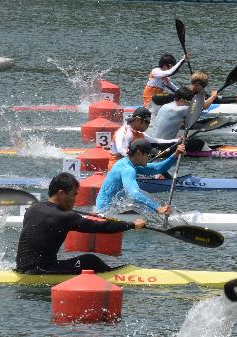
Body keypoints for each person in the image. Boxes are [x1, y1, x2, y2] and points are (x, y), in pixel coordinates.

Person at [15, 172, 145, 274]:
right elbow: (100, 227)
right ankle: (115, 277)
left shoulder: (33, 208)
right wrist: (131, 225)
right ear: (61, 193)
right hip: (41, 271)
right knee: (89, 260)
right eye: (73, 195)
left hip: (22, 267)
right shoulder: (65, 217)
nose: (75, 200)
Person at [94, 138, 185, 214]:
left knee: (145, 203)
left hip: (106, 207)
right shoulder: (128, 169)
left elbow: (157, 168)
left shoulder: (129, 163)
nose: (149, 157)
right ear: (139, 152)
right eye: (147, 154)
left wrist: (175, 155)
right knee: (149, 205)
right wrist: (157, 208)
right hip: (105, 211)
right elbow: (133, 194)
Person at [110, 106, 177, 159]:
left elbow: (156, 142)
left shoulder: (138, 133)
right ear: (138, 120)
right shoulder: (124, 132)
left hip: (131, 165)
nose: (148, 125)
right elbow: (121, 150)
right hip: (119, 169)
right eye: (147, 122)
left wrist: (177, 140)